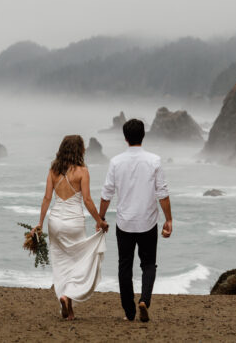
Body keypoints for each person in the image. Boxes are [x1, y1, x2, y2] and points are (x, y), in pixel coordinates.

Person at [98, 118, 172, 323]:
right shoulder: (154, 161)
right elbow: (163, 194)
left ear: (125, 138)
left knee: (125, 266)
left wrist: (101, 217)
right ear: (143, 136)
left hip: (125, 223)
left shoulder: (116, 162)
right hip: (147, 221)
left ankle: (129, 311)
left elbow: (106, 194)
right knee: (148, 264)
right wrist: (169, 220)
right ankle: (144, 301)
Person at [34, 134, 108, 320]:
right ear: (79, 150)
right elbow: (87, 200)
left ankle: (65, 301)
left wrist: (40, 224)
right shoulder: (82, 171)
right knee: (78, 262)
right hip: (74, 222)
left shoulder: (53, 170)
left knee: (60, 264)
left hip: (55, 222)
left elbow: (46, 198)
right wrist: (99, 221)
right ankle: (68, 297)